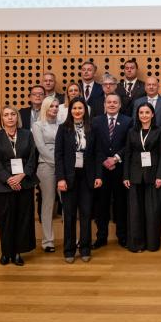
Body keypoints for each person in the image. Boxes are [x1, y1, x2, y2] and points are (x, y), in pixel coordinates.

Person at [0, 105, 39, 266]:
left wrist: (22, 176)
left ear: (17, 117)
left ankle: (17, 252)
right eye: (6, 115)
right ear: (1, 118)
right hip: (3, 186)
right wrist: (9, 179)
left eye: (13, 114)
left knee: (22, 219)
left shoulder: (27, 134)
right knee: (5, 220)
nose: (10, 117)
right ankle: (6, 252)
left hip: (24, 183)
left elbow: (33, 158)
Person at [55, 97, 102, 263]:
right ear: (70, 111)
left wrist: (98, 175)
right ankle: (69, 250)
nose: (77, 111)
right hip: (68, 178)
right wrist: (60, 178)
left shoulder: (93, 129)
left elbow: (98, 154)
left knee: (86, 214)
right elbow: (58, 155)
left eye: (80, 108)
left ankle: (85, 249)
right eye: (74, 108)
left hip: (87, 177)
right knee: (68, 216)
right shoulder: (63, 129)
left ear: (85, 111)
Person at [88, 92, 132, 249]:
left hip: (120, 169)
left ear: (120, 105)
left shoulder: (128, 121)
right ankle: (101, 237)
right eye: (109, 102)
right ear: (104, 105)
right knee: (101, 206)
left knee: (121, 205)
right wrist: (104, 161)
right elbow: (94, 146)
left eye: (115, 102)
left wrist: (115, 158)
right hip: (101, 171)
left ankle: (122, 236)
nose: (112, 104)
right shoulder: (95, 121)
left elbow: (129, 144)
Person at [124, 102, 161, 252]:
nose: (144, 115)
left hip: (153, 176)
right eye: (141, 112)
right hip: (135, 175)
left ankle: (152, 244)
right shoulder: (131, 132)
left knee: (152, 211)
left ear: (152, 114)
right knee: (136, 212)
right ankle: (137, 244)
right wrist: (125, 176)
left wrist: (160, 176)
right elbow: (128, 154)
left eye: (147, 112)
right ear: (137, 115)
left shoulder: (160, 131)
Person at [31, 96, 60, 252]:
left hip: (62, 168)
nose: (54, 109)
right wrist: (58, 163)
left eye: (56, 106)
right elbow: (41, 148)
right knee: (48, 203)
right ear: (45, 108)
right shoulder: (37, 125)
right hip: (46, 167)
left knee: (67, 203)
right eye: (51, 106)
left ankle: (71, 237)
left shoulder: (62, 125)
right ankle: (48, 241)